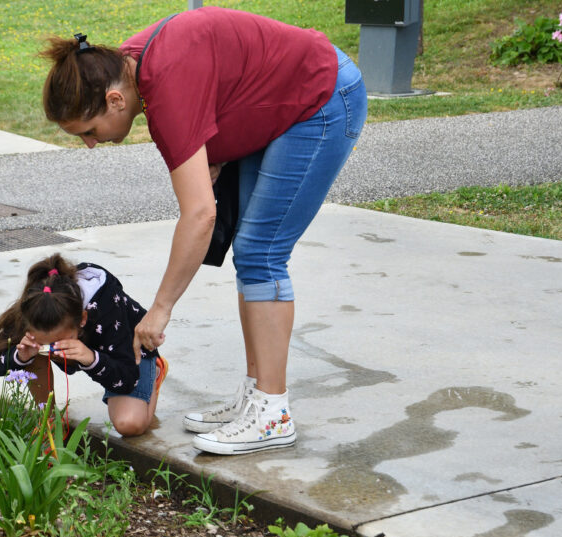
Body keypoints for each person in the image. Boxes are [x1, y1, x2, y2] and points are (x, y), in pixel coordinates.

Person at [39, 7, 367, 455]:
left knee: (261, 253)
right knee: (253, 253)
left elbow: (200, 215)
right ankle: (259, 394)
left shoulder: (163, 91)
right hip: (288, 99)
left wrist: (159, 310)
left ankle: (273, 412)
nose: (91, 144)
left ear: (115, 100)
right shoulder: (125, 65)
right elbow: (224, 77)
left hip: (320, 99)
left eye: (89, 131)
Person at [0, 253, 169, 437]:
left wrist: (91, 359)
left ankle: (155, 371)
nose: (52, 349)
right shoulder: (37, 308)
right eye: (46, 342)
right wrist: (21, 356)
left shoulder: (106, 308)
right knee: (27, 350)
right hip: (97, 353)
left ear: (83, 319)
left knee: (129, 424)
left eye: (60, 339)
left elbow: (126, 378)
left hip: (130, 356)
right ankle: (48, 418)